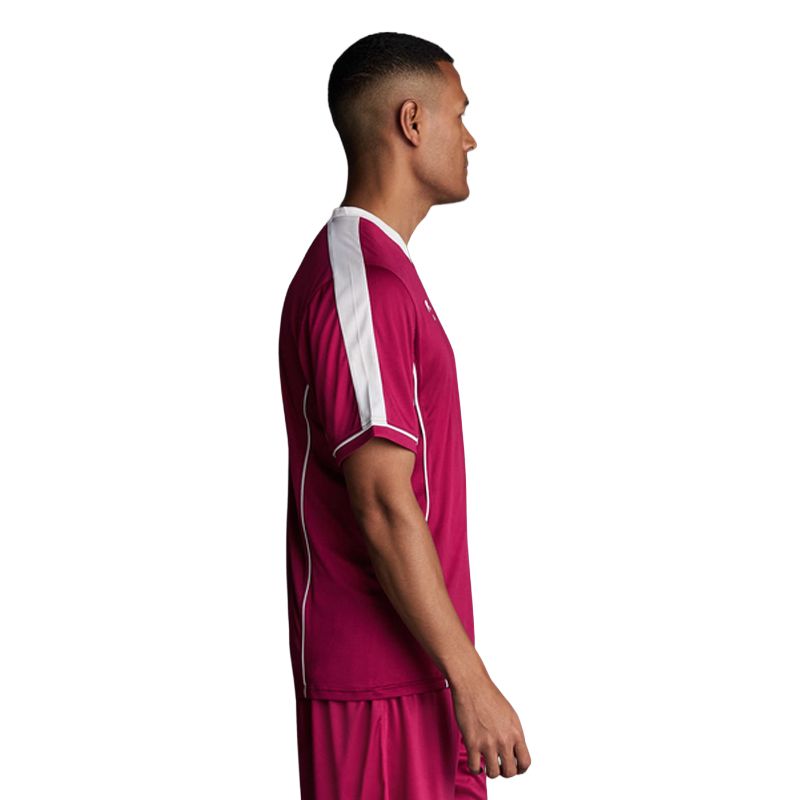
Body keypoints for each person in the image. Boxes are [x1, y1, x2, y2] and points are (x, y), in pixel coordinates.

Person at [278, 31, 532, 799]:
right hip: (378, 691)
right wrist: (474, 680)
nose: (471, 138)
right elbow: (383, 501)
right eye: (460, 114)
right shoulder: (360, 287)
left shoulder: (385, 276)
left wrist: (457, 675)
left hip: (419, 674)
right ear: (412, 122)